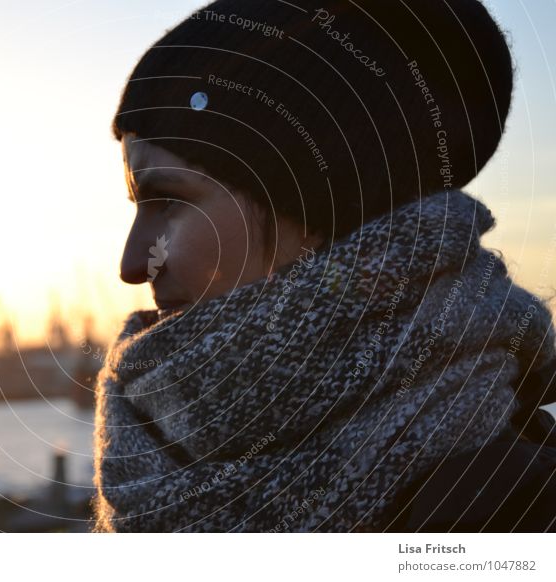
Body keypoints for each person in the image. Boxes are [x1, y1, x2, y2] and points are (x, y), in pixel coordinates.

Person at [91, 0, 556, 532]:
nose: (132, 264)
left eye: (169, 200)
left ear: (320, 208)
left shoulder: (520, 518)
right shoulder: (149, 445)